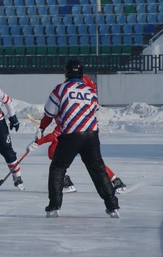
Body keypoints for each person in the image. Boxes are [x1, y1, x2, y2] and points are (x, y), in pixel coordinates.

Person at [31, 59, 120, 218]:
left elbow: (49, 114)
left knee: (58, 168)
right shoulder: (90, 91)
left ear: (66, 73)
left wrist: (41, 129)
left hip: (71, 135)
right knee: (98, 170)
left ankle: (54, 207)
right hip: (91, 134)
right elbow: (94, 111)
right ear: (81, 73)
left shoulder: (60, 89)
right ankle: (113, 206)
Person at [29, 75, 127, 194]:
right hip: (87, 130)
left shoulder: (69, 96)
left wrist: (37, 142)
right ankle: (114, 182)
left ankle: (113, 182)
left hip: (79, 131)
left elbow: (54, 134)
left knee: (64, 158)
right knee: (57, 151)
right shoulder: (77, 90)